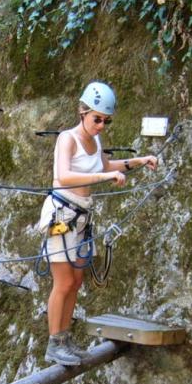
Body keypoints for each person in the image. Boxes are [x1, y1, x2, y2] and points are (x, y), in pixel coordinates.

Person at [39, 81, 158, 366]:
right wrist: (104, 179)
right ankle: (54, 343)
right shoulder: (68, 139)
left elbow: (105, 167)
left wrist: (139, 161)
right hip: (62, 216)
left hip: (81, 217)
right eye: (97, 119)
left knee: (77, 280)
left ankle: (65, 337)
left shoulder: (95, 141)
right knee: (64, 281)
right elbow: (63, 176)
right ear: (83, 112)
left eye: (106, 121)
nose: (102, 125)